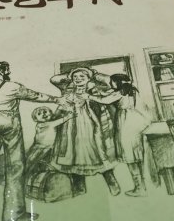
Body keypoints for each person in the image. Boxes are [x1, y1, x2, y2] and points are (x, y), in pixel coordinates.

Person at [0, 61, 64, 221]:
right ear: (2, 72)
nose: (9, 72)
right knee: (15, 167)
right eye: (7, 70)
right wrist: (56, 100)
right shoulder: (11, 86)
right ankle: (14, 215)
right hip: (9, 124)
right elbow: (35, 96)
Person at [50, 68, 121, 196]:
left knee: (97, 152)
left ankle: (111, 181)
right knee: (73, 153)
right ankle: (79, 186)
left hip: (91, 125)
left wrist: (94, 74)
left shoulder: (95, 89)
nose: (78, 79)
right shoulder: (68, 90)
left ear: (88, 78)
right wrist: (70, 75)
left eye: (82, 76)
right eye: (75, 77)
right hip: (71, 126)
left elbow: (109, 81)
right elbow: (54, 79)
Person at [88, 73, 149, 196]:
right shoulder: (130, 90)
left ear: (117, 82)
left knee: (129, 153)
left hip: (126, 121)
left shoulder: (120, 92)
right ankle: (141, 186)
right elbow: (107, 93)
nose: (110, 84)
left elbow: (105, 100)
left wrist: (88, 96)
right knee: (134, 153)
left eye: (112, 82)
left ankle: (139, 188)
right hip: (135, 120)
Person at [25, 106, 74, 180]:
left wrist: (59, 108)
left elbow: (54, 117)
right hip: (40, 147)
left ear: (51, 113)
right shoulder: (42, 124)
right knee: (32, 161)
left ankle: (36, 174)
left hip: (48, 147)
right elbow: (57, 121)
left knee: (42, 161)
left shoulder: (49, 122)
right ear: (35, 119)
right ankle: (27, 175)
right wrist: (69, 117)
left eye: (45, 112)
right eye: (39, 114)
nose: (43, 114)